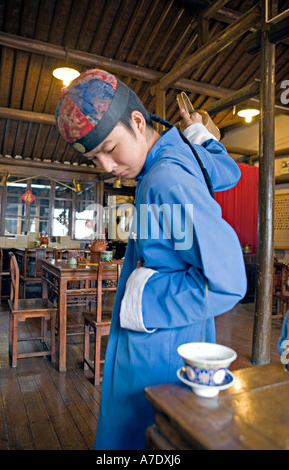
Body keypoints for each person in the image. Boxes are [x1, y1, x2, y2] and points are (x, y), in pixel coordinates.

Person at [55, 69, 247, 450]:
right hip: (183, 329)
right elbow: (227, 173)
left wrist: (142, 298)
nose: (107, 167)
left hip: (156, 341)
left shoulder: (162, 181)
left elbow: (227, 281)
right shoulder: (180, 152)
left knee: (137, 434)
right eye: (96, 159)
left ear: (138, 121)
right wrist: (198, 134)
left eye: (110, 148)